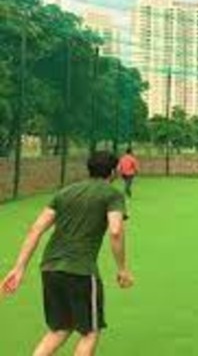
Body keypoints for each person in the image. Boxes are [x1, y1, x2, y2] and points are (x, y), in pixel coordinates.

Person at [1, 151, 134, 356]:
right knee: (89, 332)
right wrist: (122, 269)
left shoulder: (65, 192)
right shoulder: (112, 195)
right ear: (113, 171)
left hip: (50, 268)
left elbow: (36, 229)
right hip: (81, 271)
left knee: (60, 329)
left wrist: (19, 268)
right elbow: (115, 231)